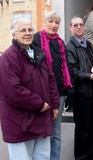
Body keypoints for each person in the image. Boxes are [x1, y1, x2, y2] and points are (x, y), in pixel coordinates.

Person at [0, 18, 59, 160]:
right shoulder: (8, 58)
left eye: (30, 30)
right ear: (14, 35)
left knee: (42, 157)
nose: (27, 33)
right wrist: (39, 104)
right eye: (23, 30)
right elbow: (13, 90)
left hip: (41, 118)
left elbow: (51, 79)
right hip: (20, 122)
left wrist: (55, 105)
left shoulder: (39, 54)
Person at [66, 16, 93, 160]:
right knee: (83, 128)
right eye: (75, 25)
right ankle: (82, 156)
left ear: (84, 27)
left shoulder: (87, 44)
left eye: (81, 25)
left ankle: (90, 153)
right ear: (70, 28)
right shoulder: (70, 46)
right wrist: (90, 76)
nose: (78, 27)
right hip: (81, 93)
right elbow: (73, 71)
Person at [33, 11, 72, 160]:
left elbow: (65, 66)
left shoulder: (60, 42)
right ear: (44, 22)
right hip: (41, 94)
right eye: (51, 21)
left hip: (59, 93)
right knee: (42, 131)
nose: (54, 25)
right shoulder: (36, 39)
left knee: (56, 132)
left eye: (57, 23)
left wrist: (69, 89)